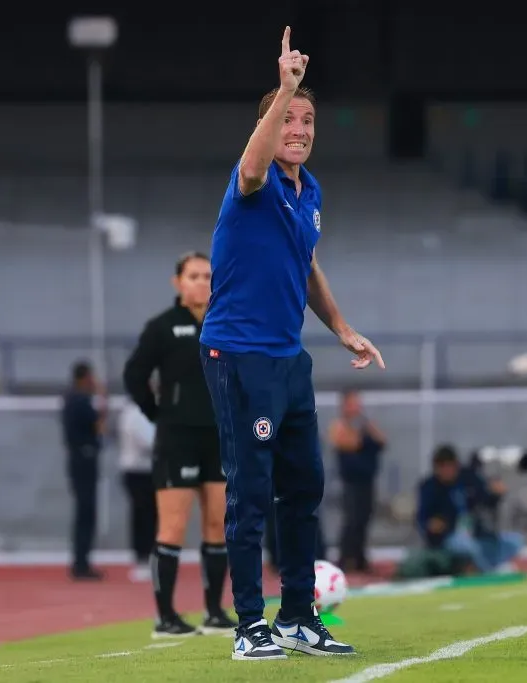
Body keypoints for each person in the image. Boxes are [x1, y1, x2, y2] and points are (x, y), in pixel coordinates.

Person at [199, 26, 384, 661]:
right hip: (237, 353)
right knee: (249, 489)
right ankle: (249, 624)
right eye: (288, 118)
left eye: (307, 119)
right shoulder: (250, 182)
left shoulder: (311, 195)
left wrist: (342, 328)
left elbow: (306, 268)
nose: (299, 128)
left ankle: (299, 616)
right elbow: (252, 163)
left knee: (303, 486)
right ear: (270, 125)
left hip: (287, 358)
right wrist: (284, 86)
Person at [123, 252, 236, 638]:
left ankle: (214, 611)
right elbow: (134, 374)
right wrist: (159, 414)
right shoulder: (163, 328)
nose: (202, 282)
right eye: (194, 276)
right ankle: (166, 617)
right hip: (177, 439)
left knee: (217, 525)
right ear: (178, 283)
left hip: (218, 437)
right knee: (172, 528)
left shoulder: (226, 324)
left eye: (207, 275)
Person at [416, 445, 523, 574]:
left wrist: (496, 494)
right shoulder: (429, 488)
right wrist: (432, 525)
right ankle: (489, 572)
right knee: (467, 546)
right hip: (449, 537)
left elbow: (486, 502)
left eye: (450, 466)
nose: (448, 471)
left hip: (477, 533)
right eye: (443, 467)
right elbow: (422, 519)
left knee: (515, 542)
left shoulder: (468, 478)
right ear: (437, 468)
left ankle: (493, 565)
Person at [329, 388, 386, 574]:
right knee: (352, 519)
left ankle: (360, 557)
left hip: (367, 479)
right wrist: (363, 436)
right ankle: (347, 558)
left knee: (364, 517)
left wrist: (368, 431)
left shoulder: (364, 425)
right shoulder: (340, 426)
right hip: (351, 480)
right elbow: (352, 444)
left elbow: (381, 442)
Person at [60, 360, 106, 581]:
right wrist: (101, 396)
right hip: (84, 460)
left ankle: (81, 560)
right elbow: (99, 425)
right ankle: (81, 563)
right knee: (86, 513)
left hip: (78, 460)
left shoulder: (69, 399)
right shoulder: (81, 400)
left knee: (83, 512)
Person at [117, 396, 158, 583]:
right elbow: (149, 441)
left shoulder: (138, 413)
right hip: (138, 472)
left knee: (150, 516)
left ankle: (147, 557)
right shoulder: (135, 414)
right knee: (144, 517)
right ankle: (142, 559)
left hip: (145, 471)